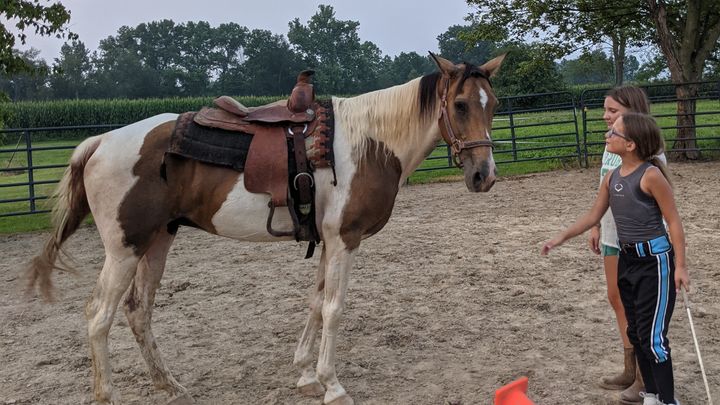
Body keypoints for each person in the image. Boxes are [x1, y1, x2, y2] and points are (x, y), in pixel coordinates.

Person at [542, 112, 690, 405]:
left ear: (631, 144)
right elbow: (593, 216)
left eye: (614, 133)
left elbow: (673, 221)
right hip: (628, 261)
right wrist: (561, 237)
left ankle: (668, 401)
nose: (607, 136)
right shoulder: (612, 177)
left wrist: (681, 267)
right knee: (636, 333)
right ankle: (651, 395)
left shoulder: (651, 176)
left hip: (655, 264)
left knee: (654, 339)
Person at [589, 86, 666, 404]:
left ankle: (644, 378)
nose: (605, 116)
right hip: (610, 233)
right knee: (616, 298)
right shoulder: (612, 143)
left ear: (632, 111)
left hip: (640, 238)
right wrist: (595, 224)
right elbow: (603, 185)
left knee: (639, 306)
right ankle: (629, 366)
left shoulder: (648, 145)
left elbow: (659, 194)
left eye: (612, 111)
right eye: (605, 110)